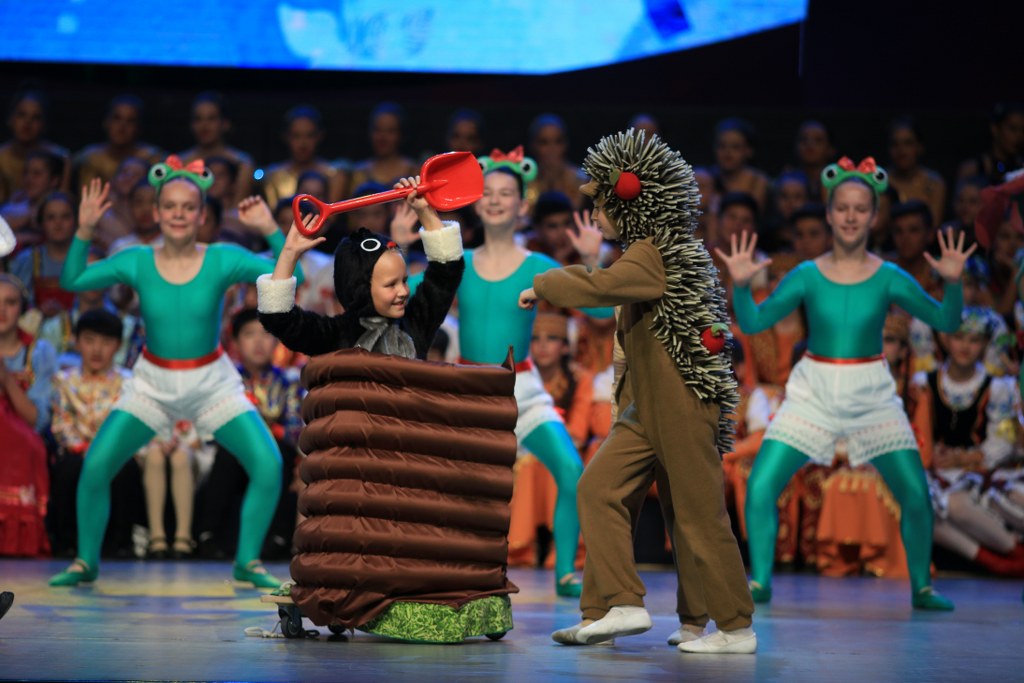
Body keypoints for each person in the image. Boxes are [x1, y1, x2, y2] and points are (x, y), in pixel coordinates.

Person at [523, 128, 754, 653]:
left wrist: (544, 284)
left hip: (680, 404)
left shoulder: (653, 253)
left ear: (631, 200)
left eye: (601, 203)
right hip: (646, 408)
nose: (595, 214)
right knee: (598, 490)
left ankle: (735, 626)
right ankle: (615, 607)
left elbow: (603, 287)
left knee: (696, 514)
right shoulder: (648, 252)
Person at [719, 155, 973, 611]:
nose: (851, 216)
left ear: (874, 217)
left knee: (915, 493)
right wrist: (740, 286)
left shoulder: (889, 276)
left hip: (870, 391)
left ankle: (921, 587)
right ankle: (760, 581)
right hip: (813, 390)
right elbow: (754, 322)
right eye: (842, 208)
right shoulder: (807, 275)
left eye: (860, 209)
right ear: (829, 213)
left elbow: (947, 321)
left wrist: (953, 284)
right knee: (760, 485)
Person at [48, 157, 302, 588]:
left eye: (188, 207)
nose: (179, 214)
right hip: (152, 382)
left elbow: (291, 270)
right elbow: (73, 280)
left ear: (202, 215)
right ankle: (86, 561)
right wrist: (85, 229)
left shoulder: (221, 258)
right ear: (156, 212)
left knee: (268, 464)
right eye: (170, 206)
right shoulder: (137, 260)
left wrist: (268, 227)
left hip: (211, 382)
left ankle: (247, 561)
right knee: (95, 466)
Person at [412, 151, 611, 597]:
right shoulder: (457, 260)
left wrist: (591, 262)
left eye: (507, 194)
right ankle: (446, 566)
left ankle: (564, 572)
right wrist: (397, 246)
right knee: (449, 487)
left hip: (522, 386)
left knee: (571, 470)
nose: (497, 200)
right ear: (476, 202)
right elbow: (405, 295)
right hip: (468, 391)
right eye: (488, 193)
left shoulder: (538, 266)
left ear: (523, 206)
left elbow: (600, 310)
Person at [912, 306, 1024, 576]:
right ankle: (997, 560)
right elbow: (916, 432)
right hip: (938, 471)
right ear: (946, 339)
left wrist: (964, 458)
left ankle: (1012, 553)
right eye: (959, 338)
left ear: (985, 344)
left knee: (965, 503)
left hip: (978, 470)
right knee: (924, 506)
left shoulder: (997, 387)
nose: (965, 346)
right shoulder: (925, 382)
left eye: (974, 340)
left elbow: (1002, 442)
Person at [0, 273, 56, 557]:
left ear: (22, 308)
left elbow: (37, 420)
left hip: (23, 435)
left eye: (10, 303)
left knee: (23, 443)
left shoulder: (38, 351)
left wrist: (6, 379)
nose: (1, 310)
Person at [262, 105, 348, 208]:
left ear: (320, 136)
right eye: (296, 136)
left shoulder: (334, 174)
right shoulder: (273, 176)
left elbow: (331, 215)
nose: (303, 144)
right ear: (286, 137)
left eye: (309, 135)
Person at [73, 95, 163, 188]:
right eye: (117, 118)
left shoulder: (153, 158)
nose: (122, 127)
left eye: (130, 121)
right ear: (106, 122)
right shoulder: (89, 157)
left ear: (139, 127)